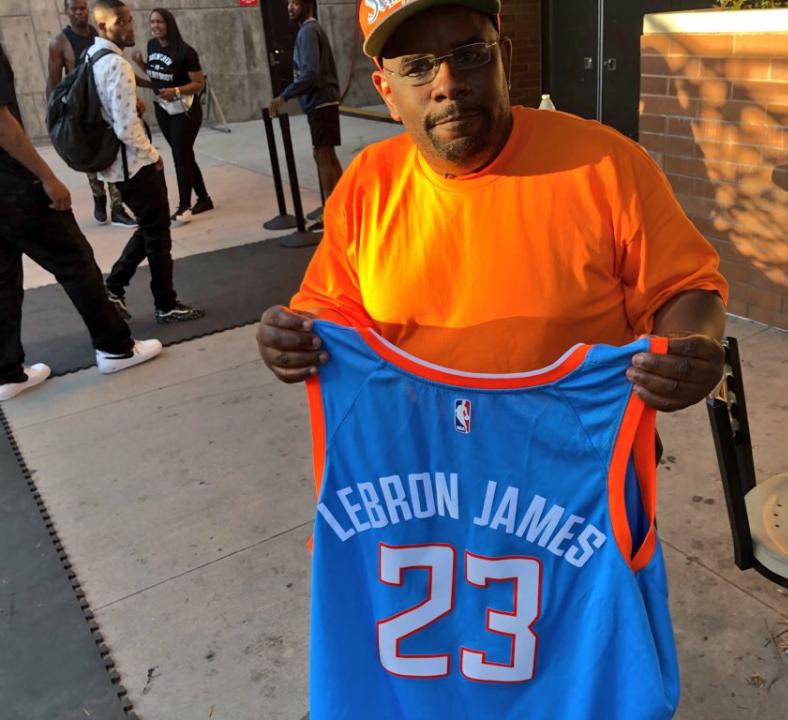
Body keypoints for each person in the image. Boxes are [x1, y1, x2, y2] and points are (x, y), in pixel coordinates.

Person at [257, 0, 728, 715]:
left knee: (581, 665)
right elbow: (328, 314)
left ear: (504, 55)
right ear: (386, 89)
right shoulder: (367, 187)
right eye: (418, 67)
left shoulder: (605, 162)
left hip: (572, 492)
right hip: (419, 494)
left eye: (469, 54)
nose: (448, 82)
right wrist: (291, 340)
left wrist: (697, 346)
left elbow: (688, 287)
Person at [0, 42, 161, 402]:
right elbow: (2, 122)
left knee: (3, 277)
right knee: (74, 259)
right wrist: (45, 176)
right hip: (10, 183)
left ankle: (6, 371)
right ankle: (116, 347)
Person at [90, 0, 203, 324]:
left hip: (116, 166)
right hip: (135, 166)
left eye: (129, 19)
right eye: (122, 21)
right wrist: (153, 157)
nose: (132, 26)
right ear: (104, 26)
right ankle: (165, 304)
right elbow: (127, 127)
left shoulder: (93, 57)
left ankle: (114, 286)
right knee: (158, 239)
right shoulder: (116, 65)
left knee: (152, 229)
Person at [46, 0, 137, 228]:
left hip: (104, 106)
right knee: (91, 159)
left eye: (83, 8)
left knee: (112, 154)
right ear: (66, 12)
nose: (79, 13)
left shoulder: (99, 35)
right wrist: (53, 115)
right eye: (74, 9)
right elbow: (54, 82)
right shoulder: (60, 42)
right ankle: (99, 198)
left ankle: (117, 208)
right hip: (81, 110)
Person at [130, 8, 213, 226]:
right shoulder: (152, 45)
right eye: (152, 22)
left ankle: (184, 206)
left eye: (159, 22)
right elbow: (158, 73)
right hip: (163, 108)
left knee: (179, 155)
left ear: (169, 24)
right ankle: (204, 198)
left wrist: (176, 91)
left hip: (185, 110)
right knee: (184, 153)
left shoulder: (185, 52)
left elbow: (198, 84)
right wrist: (141, 65)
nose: (155, 26)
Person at [268, 0, 343, 225]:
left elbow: (311, 73)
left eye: (296, 3)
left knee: (324, 155)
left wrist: (284, 96)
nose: (290, 7)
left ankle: (334, 209)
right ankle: (338, 203)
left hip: (321, 101)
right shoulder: (307, 30)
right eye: (289, 2)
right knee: (323, 154)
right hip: (318, 102)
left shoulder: (309, 31)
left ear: (308, 6)